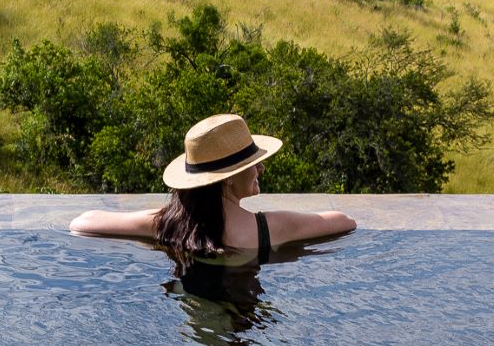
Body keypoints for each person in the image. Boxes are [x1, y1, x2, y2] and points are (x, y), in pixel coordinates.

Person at [68, 113, 356, 264]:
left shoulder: (166, 225)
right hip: (246, 328)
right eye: (253, 164)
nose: (261, 169)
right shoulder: (272, 227)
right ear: (229, 177)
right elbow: (345, 221)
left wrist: (163, 215)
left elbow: (82, 222)